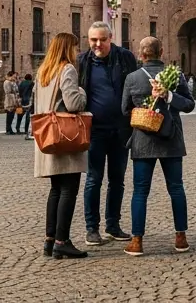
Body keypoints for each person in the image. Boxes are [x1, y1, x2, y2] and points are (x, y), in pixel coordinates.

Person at [120, 37, 194, 256]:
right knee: (176, 188)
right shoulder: (176, 76)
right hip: (171, 138)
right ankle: (180, 238)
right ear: (162, 52)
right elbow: (189, 105)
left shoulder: (132, 78)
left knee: (140, 191)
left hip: (143, 140)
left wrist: (144, 107)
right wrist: (170, 97)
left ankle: (136, 241)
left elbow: (125, 109)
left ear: (141, 55)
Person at [77, 21, 138, 246]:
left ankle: (113, 225)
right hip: (94, 131)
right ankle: (91, 229)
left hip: (121, 129)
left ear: (110, 38)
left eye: (102, 39)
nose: (98, 44)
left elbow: (135, 86)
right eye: (93, 40)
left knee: (117, 180)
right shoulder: (83, 61)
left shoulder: (125, 57)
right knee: (93, 179)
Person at [35, 33, 89, 260]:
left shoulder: (43, 72)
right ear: (68, 48)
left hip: (48, 135)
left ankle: (50, 240)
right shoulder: (67, 69)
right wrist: (83, 92)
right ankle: (62, 241)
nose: (77, 52)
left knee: (56, 190)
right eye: (75, 48)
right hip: (65, 136)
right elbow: (73, 103)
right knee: (69, 189)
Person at [3, 71, 22, 135]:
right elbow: (8, 91)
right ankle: (8, 129)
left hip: (14, 100)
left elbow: (17, 90)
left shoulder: (13, 82)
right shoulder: (7, 82)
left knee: (12, 116)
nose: (15, 77)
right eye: (14, 76)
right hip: (10, 100)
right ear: (10, 75)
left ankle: (10, 129)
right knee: (9, 115)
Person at [19, 73, 36, 139]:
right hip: (29, 100)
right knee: (28, 116)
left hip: (22, 99)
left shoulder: (22, 83)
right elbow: (33, 91)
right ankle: (26, 130)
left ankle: (17, 128)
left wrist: (20, 97)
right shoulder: (31, 83)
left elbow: (19, 90)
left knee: (19, 114)